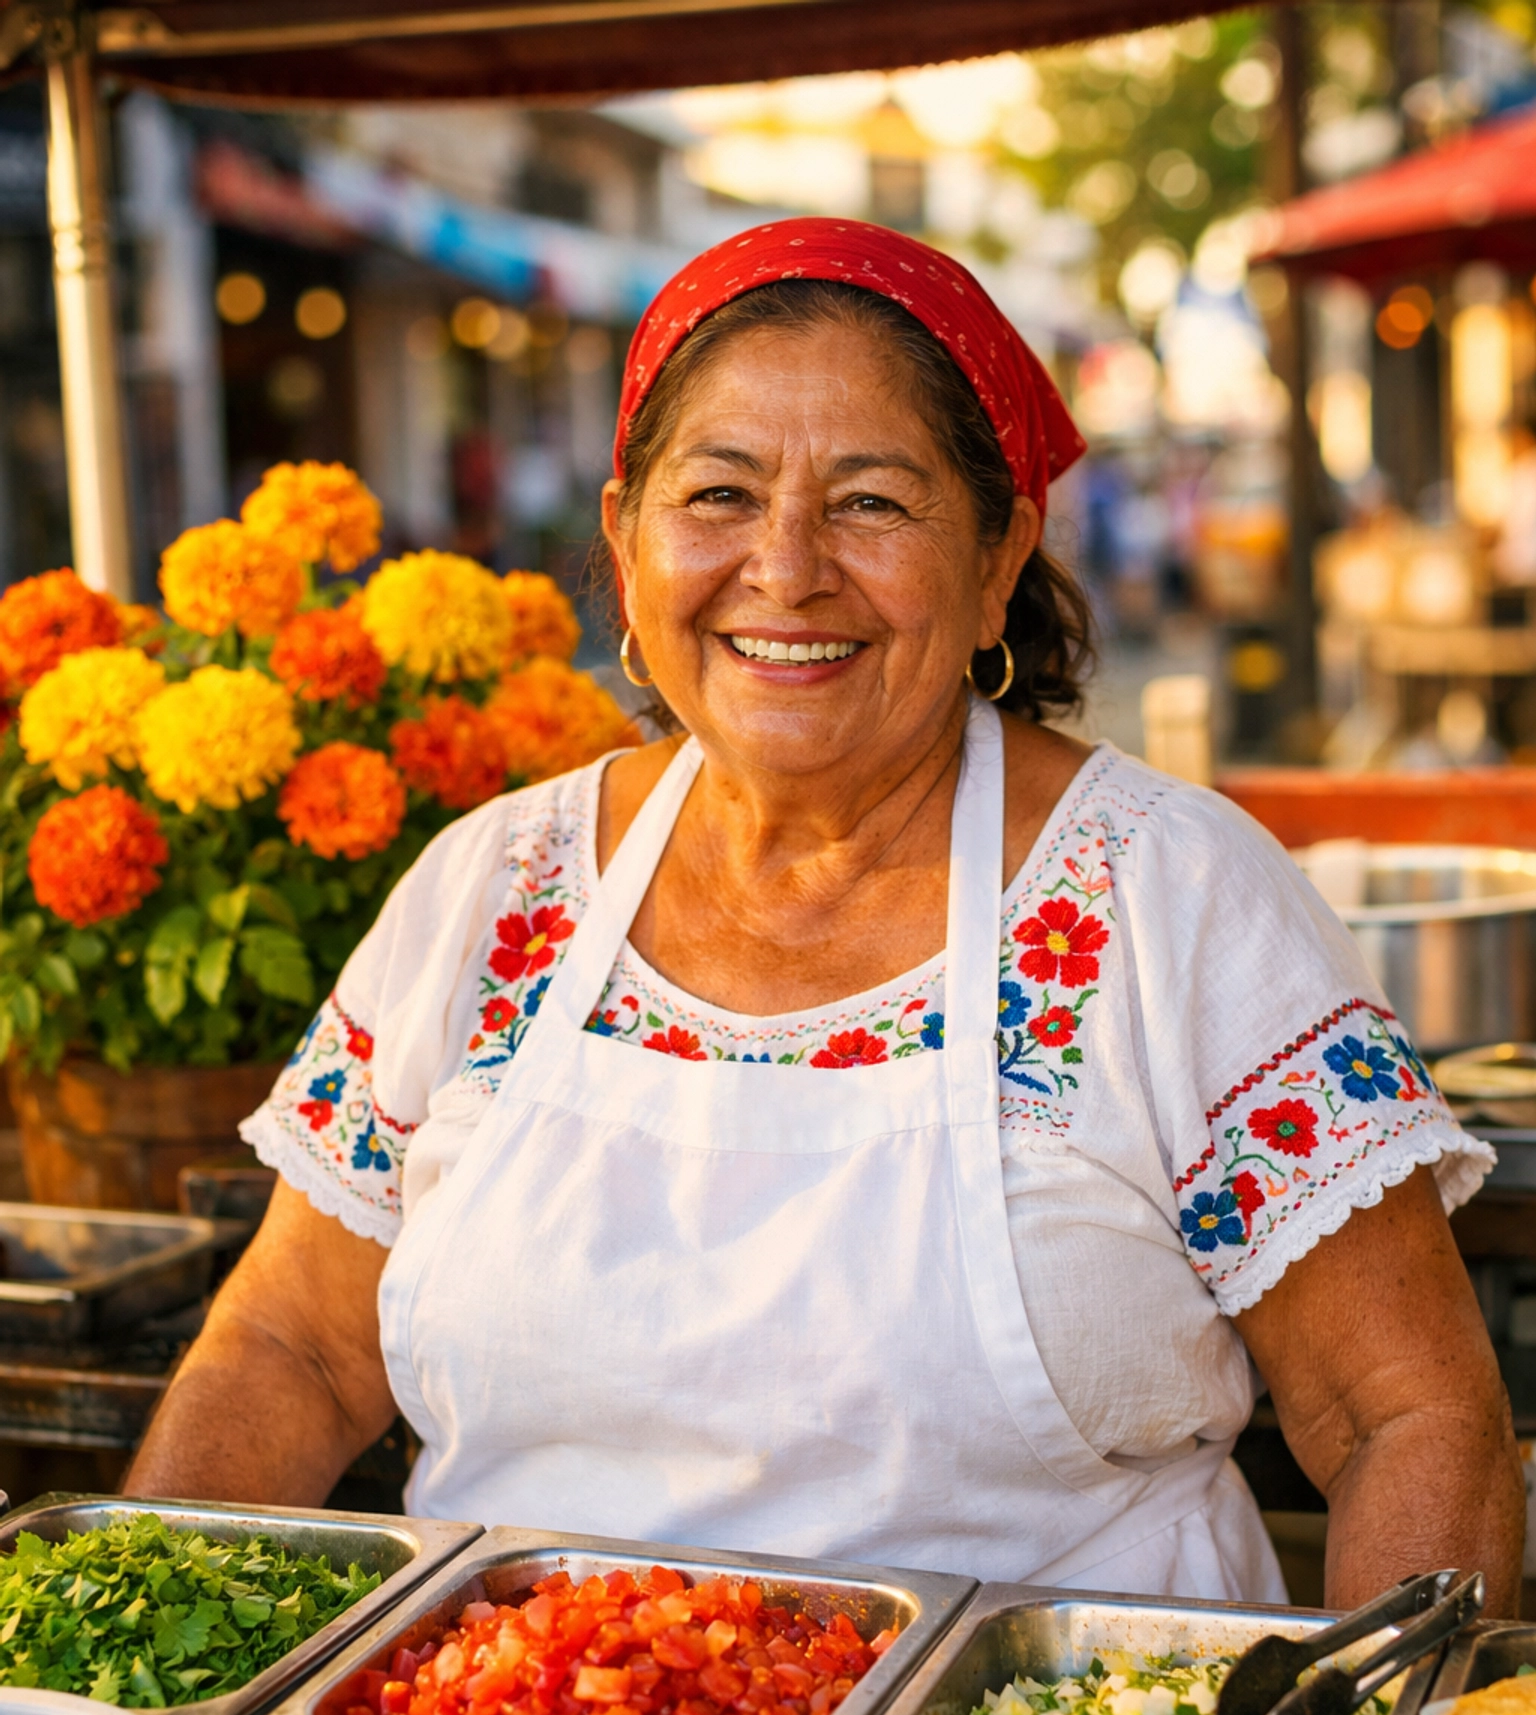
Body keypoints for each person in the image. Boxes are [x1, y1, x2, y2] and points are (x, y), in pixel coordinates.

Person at [130, 220, 1523, 1612]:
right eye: (720, 494)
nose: (786, 570)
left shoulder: (1172, 896)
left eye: (871, 503)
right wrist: (125, 1703)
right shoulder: (494, 889)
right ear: (625, 542)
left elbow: (1409, 1419)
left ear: (996, 558)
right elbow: (292, 1352)